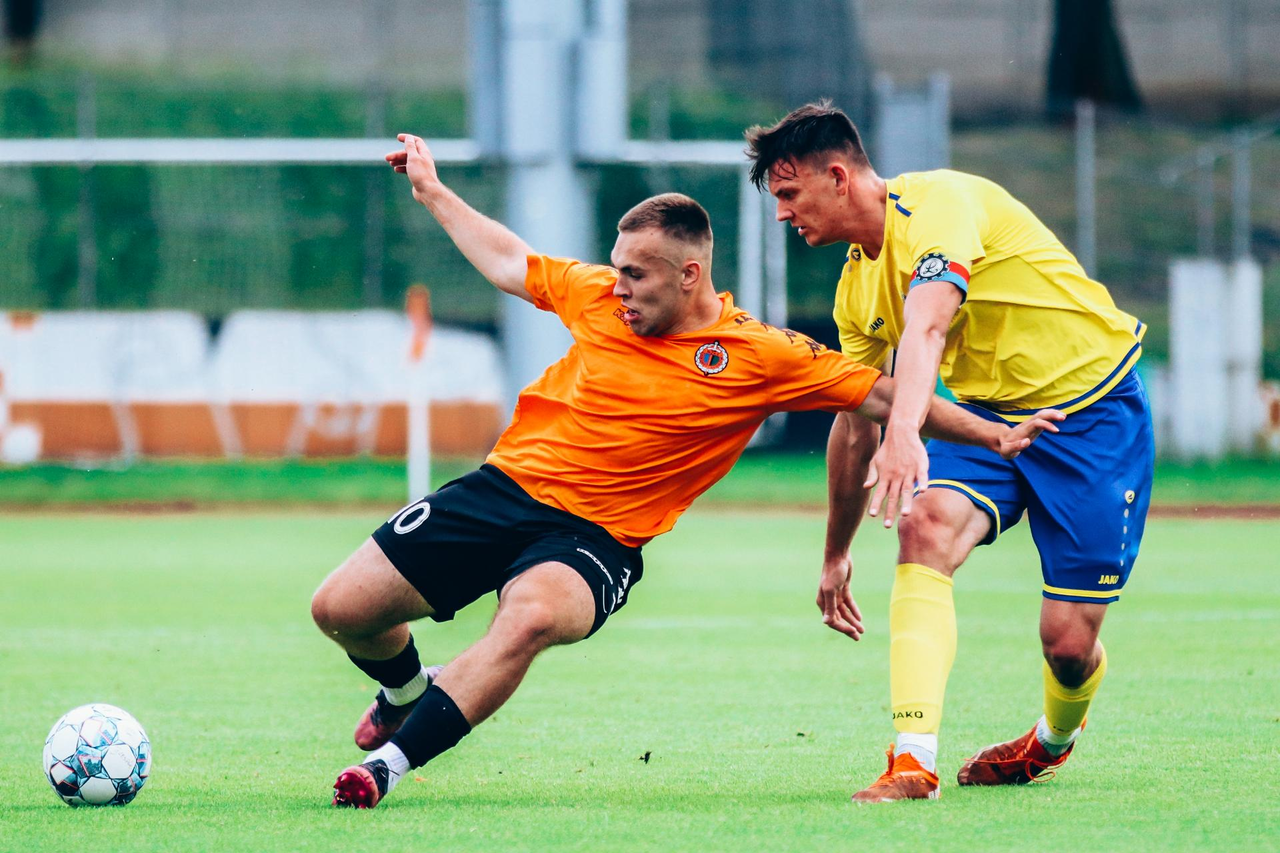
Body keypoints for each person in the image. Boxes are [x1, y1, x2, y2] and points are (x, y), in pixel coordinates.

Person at [311, 132, 1061, 809]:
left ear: (689, 274)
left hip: (596, 539)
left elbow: (888, 396)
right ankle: (406, 695)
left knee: (530, 616)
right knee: (341, 608)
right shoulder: (598, 295)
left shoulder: (759, 354)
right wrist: (434, 191)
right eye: (617, 269)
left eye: (636, 275)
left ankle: (387, 767)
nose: (619, 287)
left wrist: (996, 436)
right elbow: (511, 261)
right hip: (501, 489)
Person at [744, 102, 1154, 802]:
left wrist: (906, 430)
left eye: (788, 193)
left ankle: (1052, 740)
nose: (782, 214)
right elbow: (855, 422)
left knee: (1067, 644)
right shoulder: (855, 290)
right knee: (923, 523)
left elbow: (929, 326)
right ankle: (913, 761)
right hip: (989, 417)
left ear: (837, 176)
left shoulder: (941, 205)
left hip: (1091, 412)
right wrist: (836, 552)